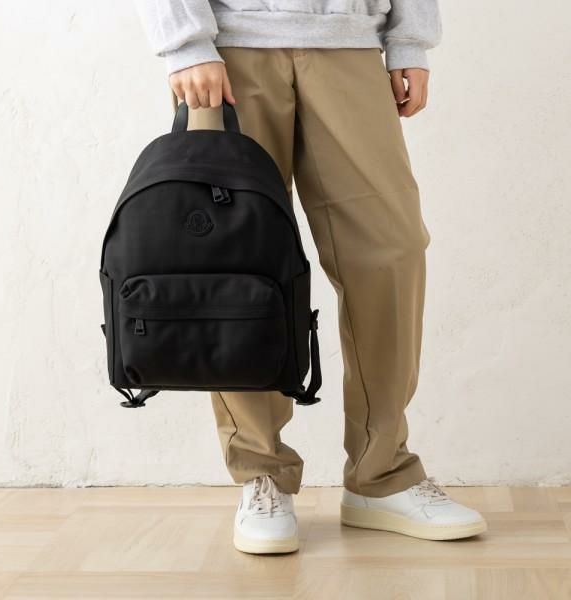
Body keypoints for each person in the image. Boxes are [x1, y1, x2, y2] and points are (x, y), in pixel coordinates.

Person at [134, 0, 488, 554]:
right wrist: (185, 43)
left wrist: (410, 39)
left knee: (391, 252)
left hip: (352, 44)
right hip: (230, 48)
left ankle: (380, 474)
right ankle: (261, 473)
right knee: (236, 260)